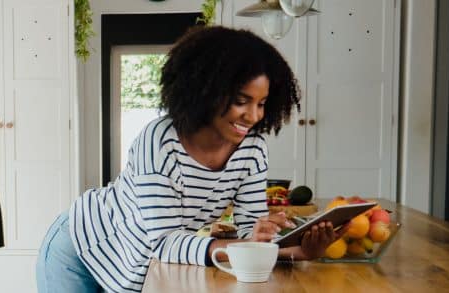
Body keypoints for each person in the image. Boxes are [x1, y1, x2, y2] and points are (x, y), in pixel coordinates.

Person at [35, 26, 345, 293]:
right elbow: (166, 244)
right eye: (241, 101)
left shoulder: (252, 148)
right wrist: (247, 248)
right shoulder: (160, 140)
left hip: (138, 261)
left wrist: (297, 251)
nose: (253, 116)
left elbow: (252, 229)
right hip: (80, 246)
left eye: (261, 103)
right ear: (206, 90)